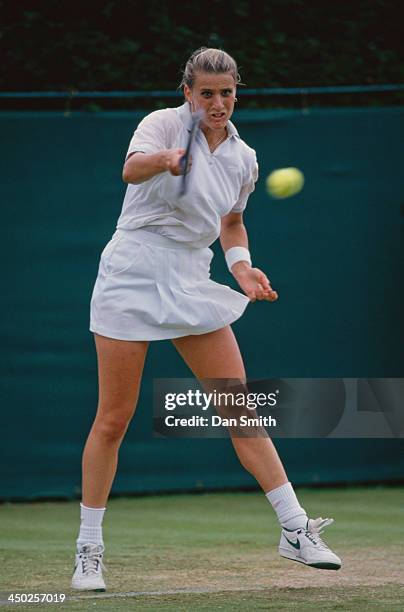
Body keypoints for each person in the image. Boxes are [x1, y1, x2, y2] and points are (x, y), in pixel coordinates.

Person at [71, 47, 341, 591]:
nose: (217, 103)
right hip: (133, 269)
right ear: (188, 93)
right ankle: (88, 552)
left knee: (239, 405)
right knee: (114, 419)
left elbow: (232, 222)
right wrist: (167, 159)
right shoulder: (161, 124)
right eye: (206, 94)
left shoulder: (244, 157)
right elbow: (130, 170)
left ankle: (294, 529)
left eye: (226, 93)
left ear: (236, 91)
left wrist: (241, 270)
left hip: (192, 276)